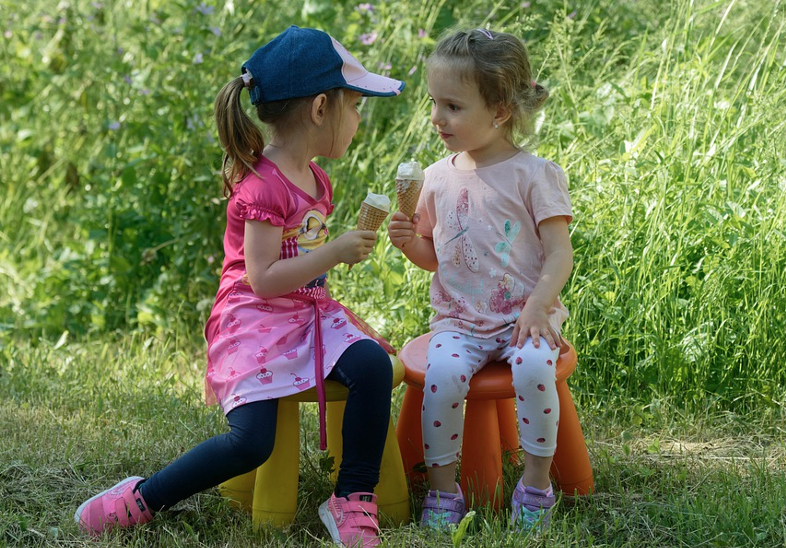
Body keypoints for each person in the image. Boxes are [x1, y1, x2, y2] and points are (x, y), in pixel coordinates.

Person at [75, 26, 405, 548]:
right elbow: (263, 278)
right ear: (321, 108)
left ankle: (352, 497)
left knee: (370, 366)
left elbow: (304, 268)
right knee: (252, 442)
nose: (360, 119)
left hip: (303, 311)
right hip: (253, 320)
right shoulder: (262, 187)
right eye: (356, 105)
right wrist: (332, 252)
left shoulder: (318, 181)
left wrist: (329, 258)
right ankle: (144, 497)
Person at [387, 28, 573, 533]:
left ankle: (535, 485)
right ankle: (444, 491)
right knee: (444, 379)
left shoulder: (534, 175)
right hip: (459, 321)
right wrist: (409, 243)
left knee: (535, 367)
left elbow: (560, 253)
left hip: (523, 316)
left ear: (499, 110)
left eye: (452, 106)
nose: (436, 117)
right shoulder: (434, 179)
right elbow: (435, 257)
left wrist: (539, 305)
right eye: (433, 103)